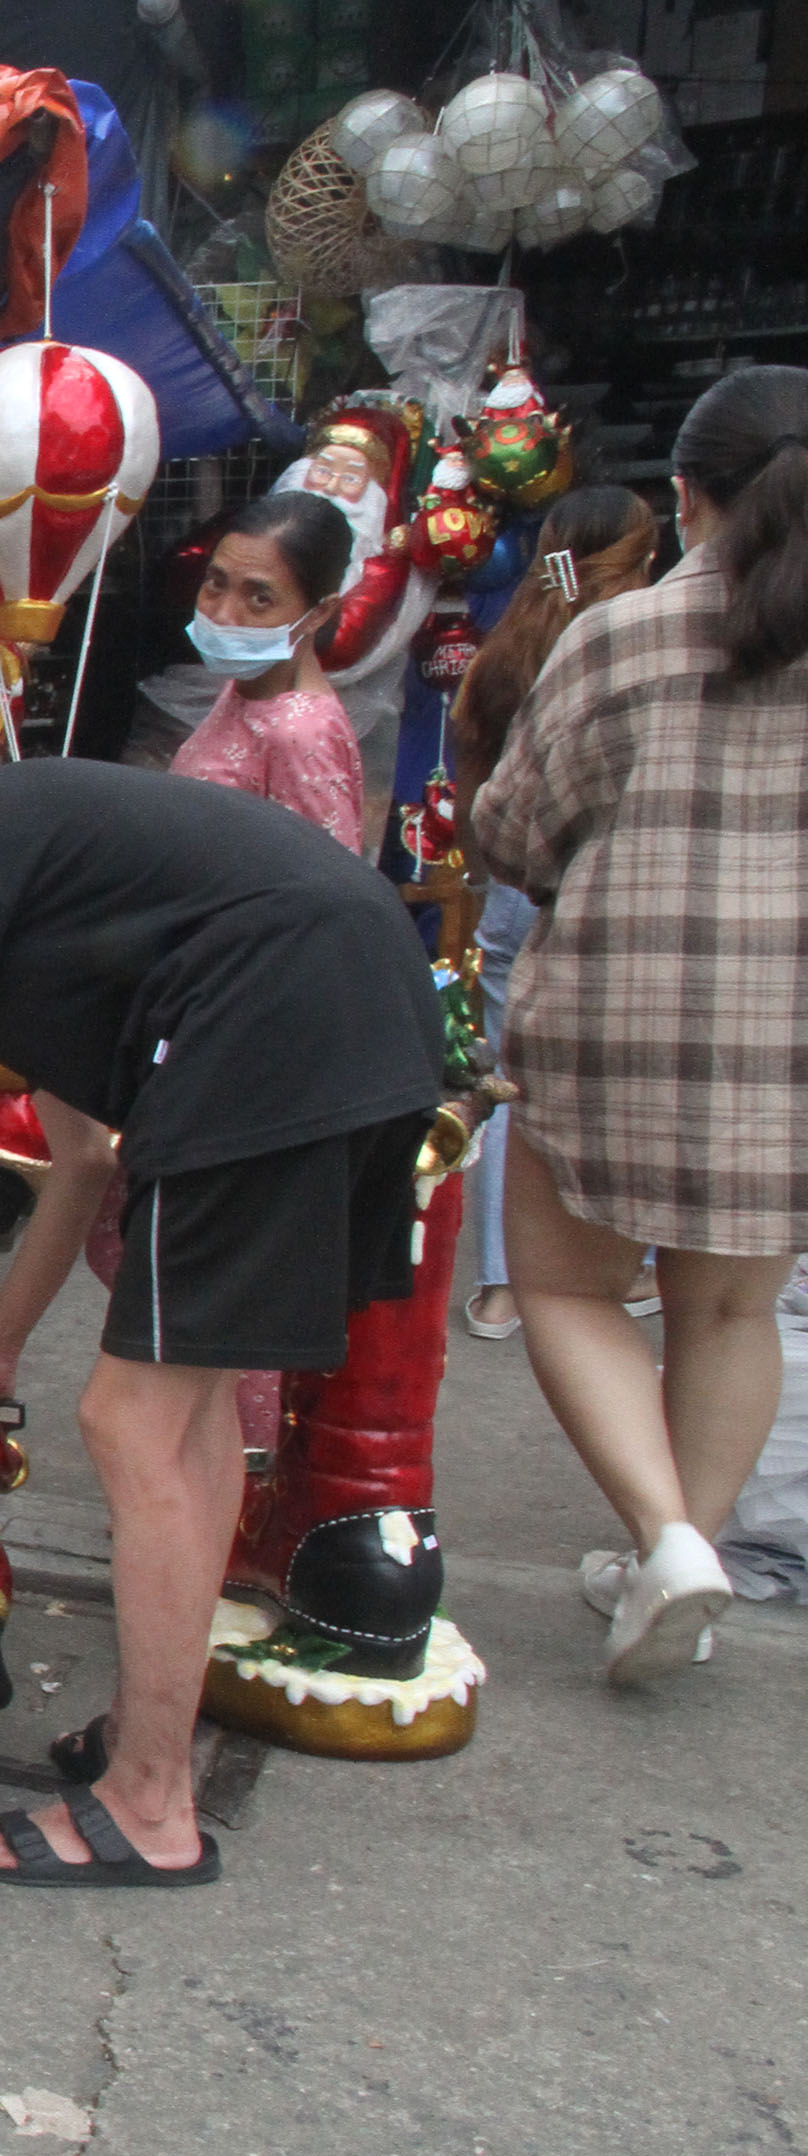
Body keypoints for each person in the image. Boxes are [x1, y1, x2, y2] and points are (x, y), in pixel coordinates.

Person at [0, 761, 441, 1886]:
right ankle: (152, 1740)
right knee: (189, 1416)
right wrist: (2, 1339)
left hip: (269, 1008)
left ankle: (151, 1807)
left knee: (132, 1424)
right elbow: (81, 1159)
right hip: (360, 988)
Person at [470, 364, 808, 1683]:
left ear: (686, 499)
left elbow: (511, 832)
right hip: (791, 1034)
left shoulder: (617, 639)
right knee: (730, 1315)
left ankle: (667, 1541)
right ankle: (686, 1555)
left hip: (612, 1016)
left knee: (566, 1284)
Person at [442, 485, 661, 1341]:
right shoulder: (639, 647)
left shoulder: (508, 651)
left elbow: (475, 801)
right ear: (642, 556)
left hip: (510, 893)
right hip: (611, 899)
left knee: (508, 1088)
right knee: (625, 1083)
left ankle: (503, 1285)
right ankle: (616, 1260)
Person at [170, 491, 372, 856]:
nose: (224, 614)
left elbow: (324, 889)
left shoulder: (300, 735)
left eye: (259, 598)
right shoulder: (247, 687)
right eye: (215, 583)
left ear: (319, 613)